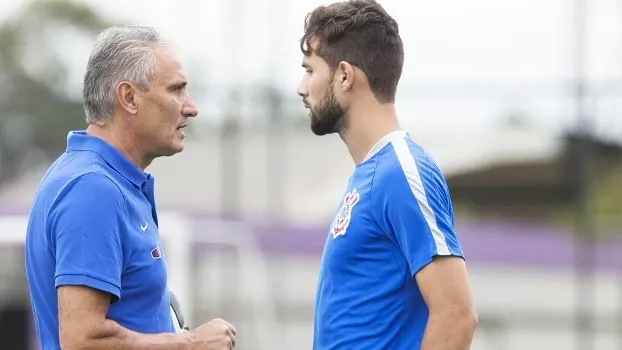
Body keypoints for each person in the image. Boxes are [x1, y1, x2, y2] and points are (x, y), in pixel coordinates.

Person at [25, 25, 236, 350]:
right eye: (176, 90)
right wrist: (192, 344)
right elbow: (82, 340)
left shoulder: (97, 179)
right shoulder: (93, 190)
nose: (191, 107)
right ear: (129, 97)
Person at [296, 1, 478, 349]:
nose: (302, 88)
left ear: (345, 76)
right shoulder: (370, 175)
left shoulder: (402, 172)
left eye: (310, 70)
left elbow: (457, 316)